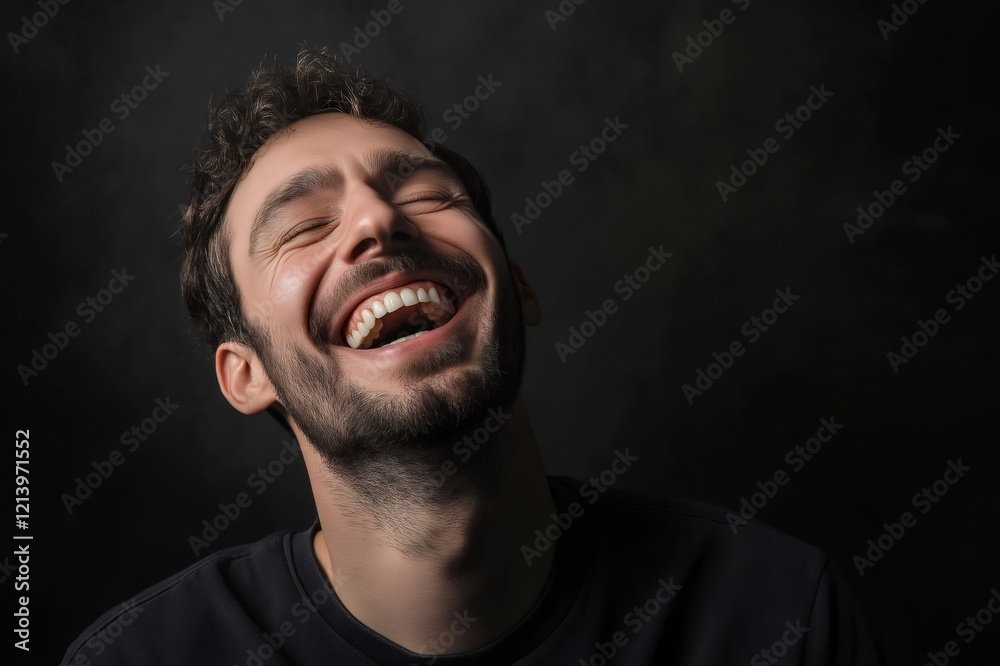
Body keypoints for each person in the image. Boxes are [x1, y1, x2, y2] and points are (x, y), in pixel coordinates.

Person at [63, 48, 881, 665]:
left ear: (516, 288)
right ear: (247, 375)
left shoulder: (778, 615)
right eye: (304, 225)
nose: (377, 222)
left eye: (426, 194)